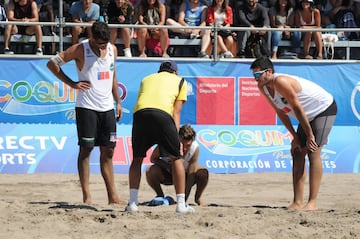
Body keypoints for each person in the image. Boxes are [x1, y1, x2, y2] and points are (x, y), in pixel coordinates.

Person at [46, 22, 125, 205]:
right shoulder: (80, 49)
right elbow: (52, 63)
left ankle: (112, 197)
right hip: (86, 107)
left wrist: (118, 102)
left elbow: (113, 77)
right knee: (86, 150)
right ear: (92, 37)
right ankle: (87, 195)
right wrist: (72, 83)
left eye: (105, 44)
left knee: (109, 152)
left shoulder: (113, 49)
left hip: (107, 108)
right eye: (99, 44)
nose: (102, 48)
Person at [250, 57, 337, 211]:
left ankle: (312, 202)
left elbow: (297, 107)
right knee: (297, 153)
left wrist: (309, 135)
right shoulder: (263, 87)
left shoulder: (280, 82)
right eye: (254, 75)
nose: (255, 79)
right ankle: (297, 202)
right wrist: (295, 137)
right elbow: (280, 112)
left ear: (269, 72)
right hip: (306, 116)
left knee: (313, 150)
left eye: (258, 75)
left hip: (323, 109)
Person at [126, 60, 194, 214]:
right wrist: (176, 141)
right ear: (175, 72)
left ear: (159, 71)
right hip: (163, 115)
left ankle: (132, 203)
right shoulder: (180, 81)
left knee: (137, 159)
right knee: (176, 158)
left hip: (140, 114)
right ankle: (181, 205)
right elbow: (176, 112)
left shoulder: (146, 79)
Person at [146, 124, 209, 206]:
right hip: (168, 174)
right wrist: (168, 166)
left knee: (202, 172)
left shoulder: (194, 148)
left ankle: (198, 198)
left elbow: (191, 175)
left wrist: (183, 200)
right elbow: (153, 158)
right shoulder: (166, 143)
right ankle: (160, 195)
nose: (184, 148)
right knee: (150, 170)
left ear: (192, 141)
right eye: (182, 144)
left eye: (188, 145)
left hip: (185, 176)